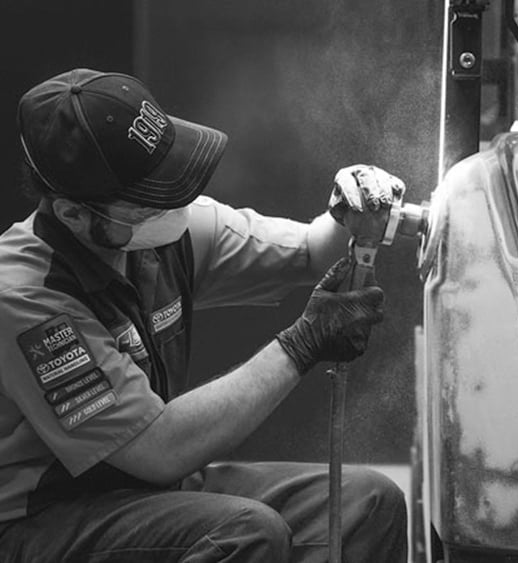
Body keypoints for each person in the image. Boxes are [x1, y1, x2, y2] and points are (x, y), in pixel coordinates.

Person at [0, 68, 408, 562]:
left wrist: (350, 214)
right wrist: (303, 343)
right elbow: (159, 449)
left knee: (367, 503)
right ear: (73, 215)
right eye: (149, 198)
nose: (175, 204)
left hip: (141, 492)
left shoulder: (165, 230)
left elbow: (308, 251)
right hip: (44, 520)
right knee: (246, 532)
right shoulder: (24, 298)